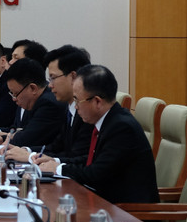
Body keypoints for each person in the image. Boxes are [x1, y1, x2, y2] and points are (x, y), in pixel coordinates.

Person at [36, 65, 159, 204]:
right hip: (106, 205)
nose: (75, 107)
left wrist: (59, 169)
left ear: (97, 102)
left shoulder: (122, 128)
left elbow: (96, 174)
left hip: (130, 215)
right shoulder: (110, 120)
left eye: (77, 100)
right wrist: (55, 162)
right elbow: (91, 160)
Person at [5, 45, 92, 162]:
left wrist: (31, 157)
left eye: (53, 78)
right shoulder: (70, 108)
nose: (50, 85)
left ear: (73, 77)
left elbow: (79, 158)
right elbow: (56, 147)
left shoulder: (88, 112)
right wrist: (26, 151)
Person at [0, 58, 66, 147]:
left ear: (33, 88)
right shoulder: (35, 100)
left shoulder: (48, 104)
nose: (14, 99)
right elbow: (22, 131)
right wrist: (2, 137)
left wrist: (5, 137)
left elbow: (26, 139)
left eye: (15, 94)